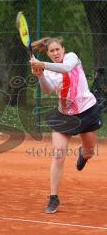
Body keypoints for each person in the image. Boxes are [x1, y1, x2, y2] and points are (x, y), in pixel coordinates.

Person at [30, 37, 102, 214]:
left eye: (57, 50)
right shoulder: (49, 70)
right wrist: (40, 76)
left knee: (89, 151)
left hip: (87, 111)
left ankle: (83, 155)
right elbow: (47, 90)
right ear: (47, 53)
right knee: (58, 154)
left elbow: (66, 68)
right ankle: (53, 197)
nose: (55, 53)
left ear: (63, 49)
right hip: (65, 116)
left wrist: (42, 65)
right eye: (51, 51)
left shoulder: (72, 58)